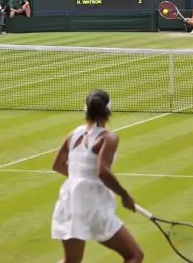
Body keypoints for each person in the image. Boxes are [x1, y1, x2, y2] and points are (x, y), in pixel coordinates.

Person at [51, 90, 144, 263]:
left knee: (71, 261)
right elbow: (103, 172)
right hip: (93, 207)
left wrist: (80, 179)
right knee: (135, 255)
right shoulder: (109, 138)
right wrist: (125, 196)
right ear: (109, 110)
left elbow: (57, 165)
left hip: (69, 202)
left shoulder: (74, 134)